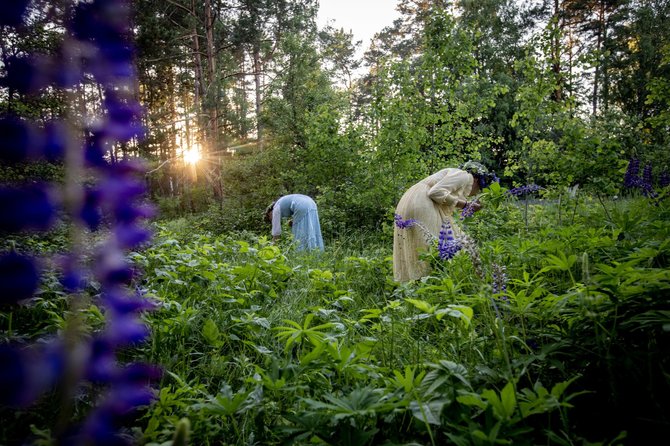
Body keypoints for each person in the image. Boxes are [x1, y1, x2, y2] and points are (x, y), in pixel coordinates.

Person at [393, 161, 496, 282]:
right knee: (434, 245)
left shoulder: (454, 174)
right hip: (423, 202)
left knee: (423, 245)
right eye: (479, 189)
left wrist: (466, 205)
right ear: (477, 180)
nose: (477, 193)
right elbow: (435, 192)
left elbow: (444, 197)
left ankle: (419, 284)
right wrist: (466, 205)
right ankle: (435, 282)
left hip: (410, 200)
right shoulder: (465, 176)